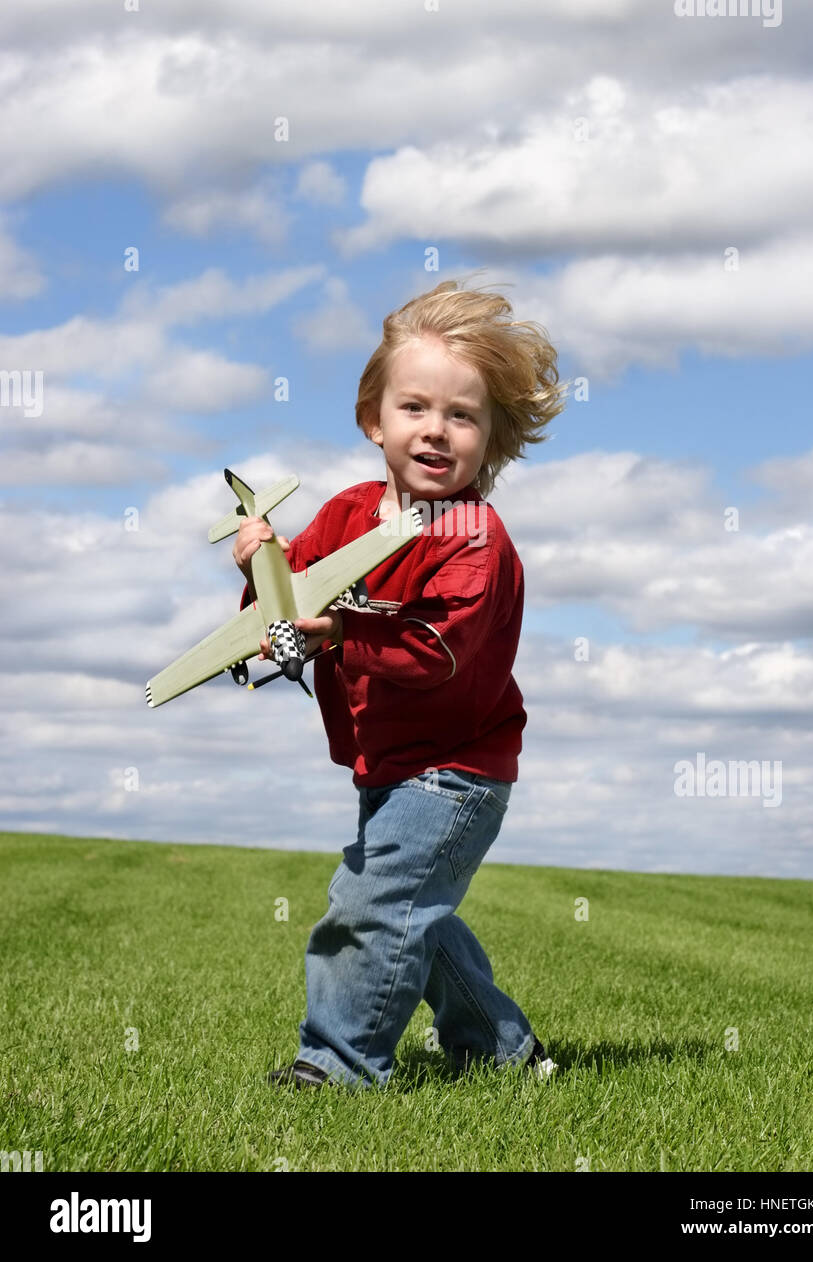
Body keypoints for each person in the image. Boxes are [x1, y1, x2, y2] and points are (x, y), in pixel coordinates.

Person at [233, 277, 568, 1091]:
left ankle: (338, 1066)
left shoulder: (474, 540)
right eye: (414, 407)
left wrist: (346, 629)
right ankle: (504, 1053)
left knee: (370, 904)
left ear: (492, 440)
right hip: (386, 765)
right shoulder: (349, 514)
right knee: (415, 913)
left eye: (463, 416)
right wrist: (260, 567)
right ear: (372, 420)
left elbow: (437, 651)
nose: (436, 430)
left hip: (456, 771)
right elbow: (291, 605)